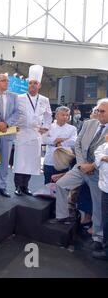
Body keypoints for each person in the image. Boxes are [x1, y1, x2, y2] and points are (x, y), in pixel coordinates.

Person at [51, 98, 108, 251]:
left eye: (102, 111)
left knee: (98, 206)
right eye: (97, 110)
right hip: (81, 167)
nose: (98, 114)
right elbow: (78, 144)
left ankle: (98, 237)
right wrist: (82, 164)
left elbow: (104, 154)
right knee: (61, 185)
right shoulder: (89, 124)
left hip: (99, 172)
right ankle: (62, 216)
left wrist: (92, 166)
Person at [13, 65, 52, 196]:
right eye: (30, 83)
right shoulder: (19, 98)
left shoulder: (44, 100)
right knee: (20, 161)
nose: (32, 85)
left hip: (36, 134)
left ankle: (25, 186)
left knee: (31, 161)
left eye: (35, 83)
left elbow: (48, 115)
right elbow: (13, 114)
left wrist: (46, 127)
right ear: (27, 84)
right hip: (22, 133)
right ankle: (18, 186)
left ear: (39, 85)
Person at [42, 106, 77, 184]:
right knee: (48, 183)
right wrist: (57, 140)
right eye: (63, 115)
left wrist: (59, 142)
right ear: (56, 115)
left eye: (67, 115)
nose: (65, 117)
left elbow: (73, 142)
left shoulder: (72, 128)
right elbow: (43, 139)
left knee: (62, 184)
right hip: (50, 159)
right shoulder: (49, 127)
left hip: (64, 159)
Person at [92, 133, 108, 260]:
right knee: (106, 219)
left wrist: (104, 158)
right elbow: (98, 154)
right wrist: (104, 157)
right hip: (105, 188)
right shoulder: (104, 145)